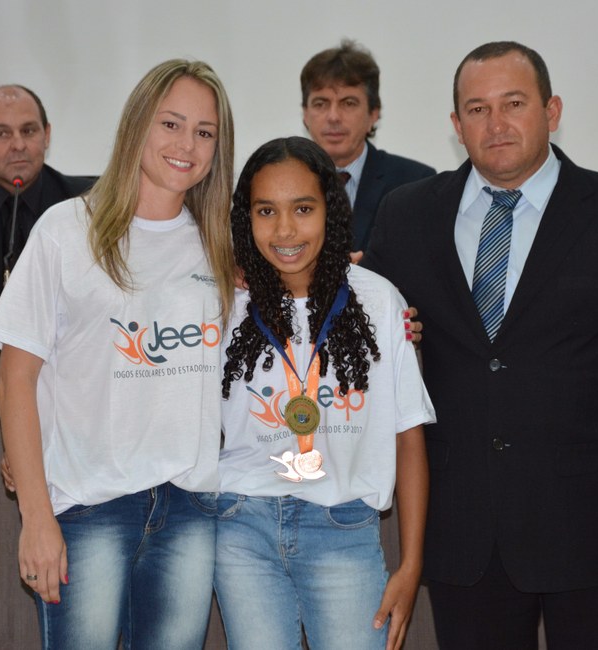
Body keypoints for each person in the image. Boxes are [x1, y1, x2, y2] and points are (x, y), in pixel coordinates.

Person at [362, 41, 598, 649]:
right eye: (477, 109)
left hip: (596, 534)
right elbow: (357, 314)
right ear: (457, 125)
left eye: (513, 103)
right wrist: (258, 274)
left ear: (551, 111)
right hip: (464, 534)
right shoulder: (407, 214)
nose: (496, 124)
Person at [0, 59, 235, 649]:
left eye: (204, 132)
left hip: (190, 510)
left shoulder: (222, 243)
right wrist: (36, 518)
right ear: (137, 124)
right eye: (171, 124)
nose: (186, 145)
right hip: (88, 507)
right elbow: (15, 380)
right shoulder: (66, 230)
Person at [213, 136, 433, 650]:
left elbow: (409, 439)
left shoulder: (377, 301)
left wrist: (411, 565)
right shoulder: (225, 304)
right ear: (245, 218)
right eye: (266, 211)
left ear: (330, 213)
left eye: (303, 209)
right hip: (242, 527)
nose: (285, 230)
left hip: (343, 528)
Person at [301, 40, 435, 252]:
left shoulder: (415, 183)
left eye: (348, 103)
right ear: (305, 114)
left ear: (373, 113)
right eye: (320, 104)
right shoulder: (284, 183)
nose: (333, 117)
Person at [0, 85, 94, 296]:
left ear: (46, 135)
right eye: (1, 133)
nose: (18, 145)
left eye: (28, 131)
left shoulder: (86, 203)